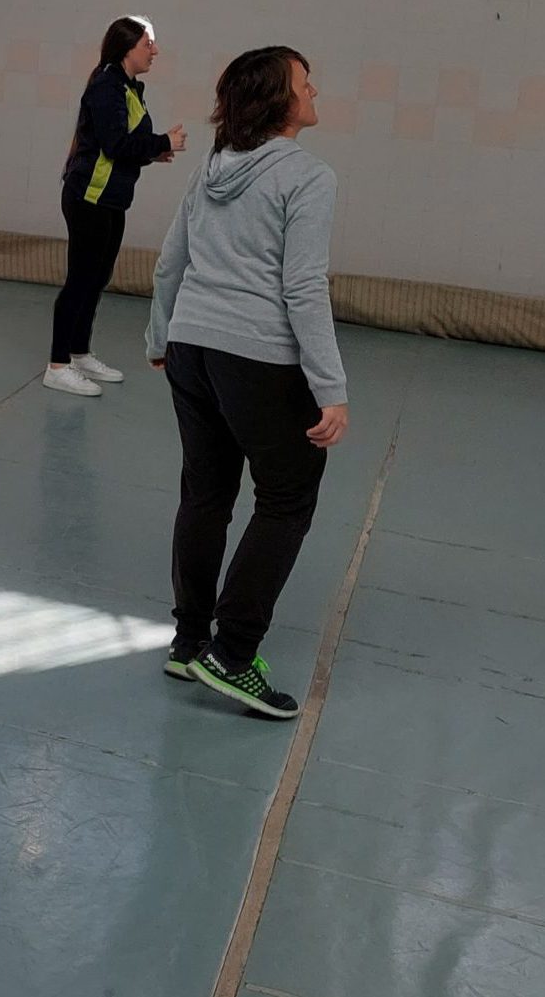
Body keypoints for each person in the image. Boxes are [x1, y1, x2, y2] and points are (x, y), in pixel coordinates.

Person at [147, 46, 347, 720]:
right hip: (257, 357)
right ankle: (233, 655)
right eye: (304, 82)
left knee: (206, 492)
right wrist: (330, 387)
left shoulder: (212, 165)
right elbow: (303, 287)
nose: (313, 90)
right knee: (287, 496)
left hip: (192, 348)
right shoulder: (308, 177)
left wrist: (160, 337)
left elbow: (171, 259)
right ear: (277, 99)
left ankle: (189, 642)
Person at [47, 15, 187, 397]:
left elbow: (124, 146)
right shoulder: (106, 86)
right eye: (147, 44)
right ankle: (57, 365)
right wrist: (162, 142)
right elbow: (114, 145)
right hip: (89, 197)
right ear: (127, 48)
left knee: (98, 277)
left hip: (112, 198)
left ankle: (79, 353)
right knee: (81, 279)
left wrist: (153, 152)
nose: (154, 51)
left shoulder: (129, 88)